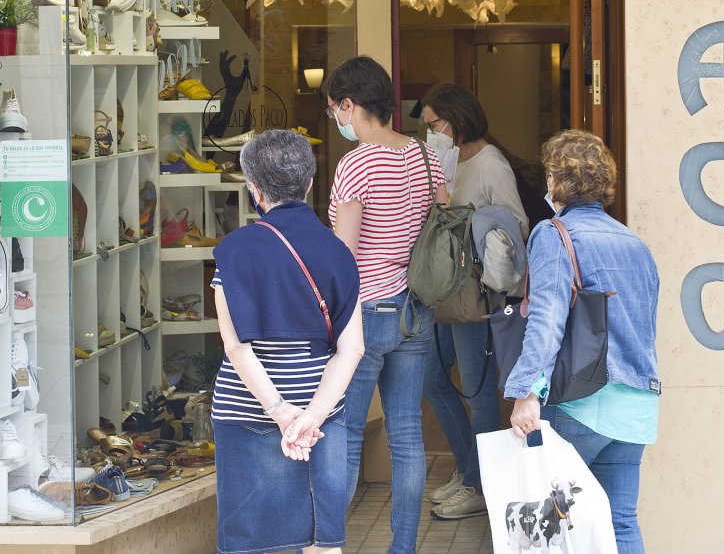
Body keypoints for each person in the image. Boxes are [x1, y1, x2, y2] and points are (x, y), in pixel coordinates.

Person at [211, 129, 365, 554]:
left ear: (253, 188)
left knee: (249, 543)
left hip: (245, 413)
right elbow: (352, 349)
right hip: (322, 419)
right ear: (311, 183)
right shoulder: (338, 253)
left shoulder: (233, 250)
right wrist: (311, 418)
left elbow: (236, 347)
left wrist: (281, 414)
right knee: (322, 544)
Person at [507, 129, 660, 554]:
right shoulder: (635, 243)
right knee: (622, 522)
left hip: (582, 401)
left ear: (557, 181)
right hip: (637, 404)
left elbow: (547, 318)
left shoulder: (554, 234)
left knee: (551, 526)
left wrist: (526, 392)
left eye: (549, 177)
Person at [326, 56, 449, 553]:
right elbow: (442, 226)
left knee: (348, 435)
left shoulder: (355, 163)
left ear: (351, 105)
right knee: (406, 437)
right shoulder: (425, 156)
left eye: (336, 108)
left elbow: (343, 255)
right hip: (416, 308)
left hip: (367, 311)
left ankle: (331, 544)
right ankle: (404, 549)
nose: (337, 118)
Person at [419, 84, 529, 520]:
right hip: (444, 288)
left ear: (456, 119)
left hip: (475, 292)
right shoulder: (448, 161)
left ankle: (479, 485)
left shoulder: (490, 164)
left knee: (477, 389)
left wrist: (467, 224)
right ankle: (470, 468)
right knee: (432, 378)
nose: (429, 133)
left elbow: (515, 224)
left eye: (434, 124)